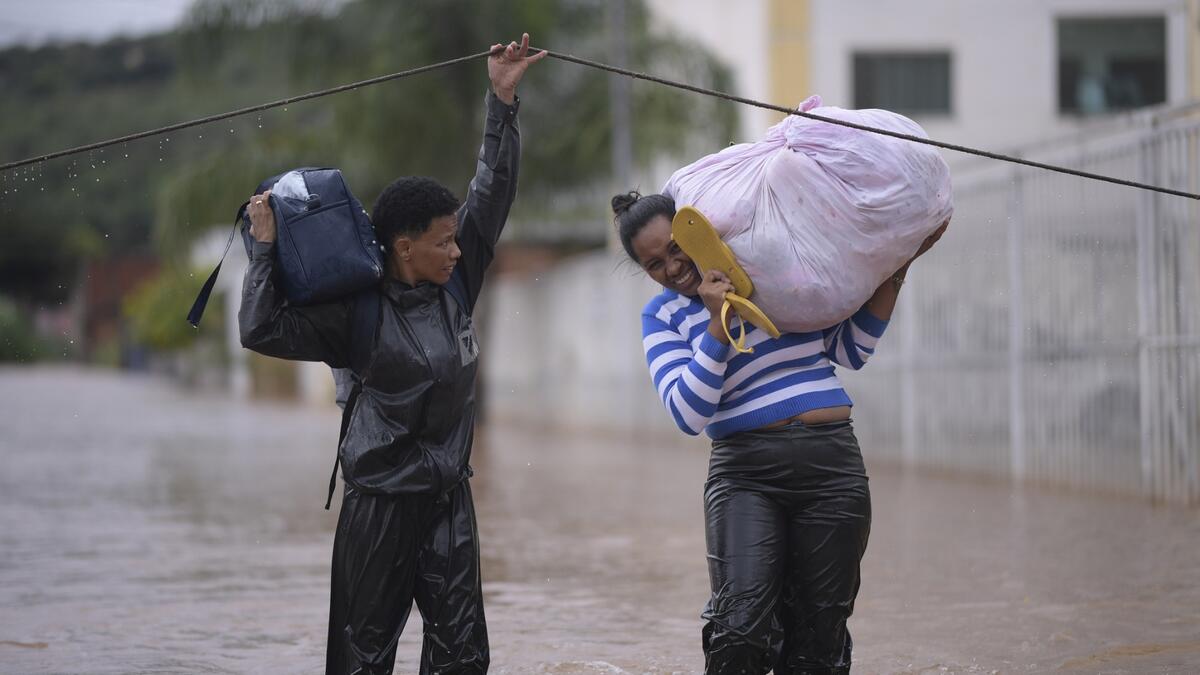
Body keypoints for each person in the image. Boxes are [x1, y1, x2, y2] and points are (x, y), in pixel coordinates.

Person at [239, 34, 544, 675]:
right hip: (377, 508)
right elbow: (261, 330)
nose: (458, 250)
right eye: (443, 242)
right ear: (405, 247)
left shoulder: (458, 285)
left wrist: (503, 100)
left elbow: (493, 191)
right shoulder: (355, 312)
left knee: (463, 658)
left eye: (457, 239)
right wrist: (263, 250)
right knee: (361, 659)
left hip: (448, 501)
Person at [611, 191, 947, 674]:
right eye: (655, 264)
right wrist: (716, 322)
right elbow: (688, 413)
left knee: (820, 638)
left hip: (833, 469)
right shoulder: (661, 316)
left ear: (694, 232)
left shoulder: (766, 272)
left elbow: (851, 348)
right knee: (741, 628)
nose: (673, 266)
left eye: (676, 247)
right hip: (747, 476)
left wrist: (899, 265)